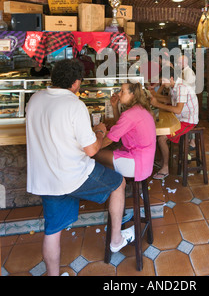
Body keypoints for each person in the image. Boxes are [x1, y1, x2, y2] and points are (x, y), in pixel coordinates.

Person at [26, 59, 134, 276]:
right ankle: (116, 239)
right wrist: (100, 131)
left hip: (46, 179)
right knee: (117, 183)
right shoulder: (75, 105)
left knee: (52, 231)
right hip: (74, 175)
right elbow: (92, 150)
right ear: (76, 82)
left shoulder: (35, 99)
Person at [95, 82, 157, 181]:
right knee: (105, 158)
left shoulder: (130, 114)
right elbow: (120, 127)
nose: (119, 94)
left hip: (136, 163)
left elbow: (109, 139)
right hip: (145, 162)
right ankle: (120, 184)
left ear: (132, 95)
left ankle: (116, 185)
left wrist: (92, 149)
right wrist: (115, 107)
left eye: (122, 91)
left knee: (95, 155)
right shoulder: (140, 109)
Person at [150, 67, 199, 180]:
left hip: (188, 121)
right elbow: (169, 100)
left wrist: (157, 104)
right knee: (160, 128)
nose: (162, 83)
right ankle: (163, 159)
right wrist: (155, 97)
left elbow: (177, 110)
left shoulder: (182, 87)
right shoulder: (175, 86)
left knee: (161, 138)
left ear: (171, 78)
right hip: (181, 118)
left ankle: (165, 167)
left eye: (164, 80)